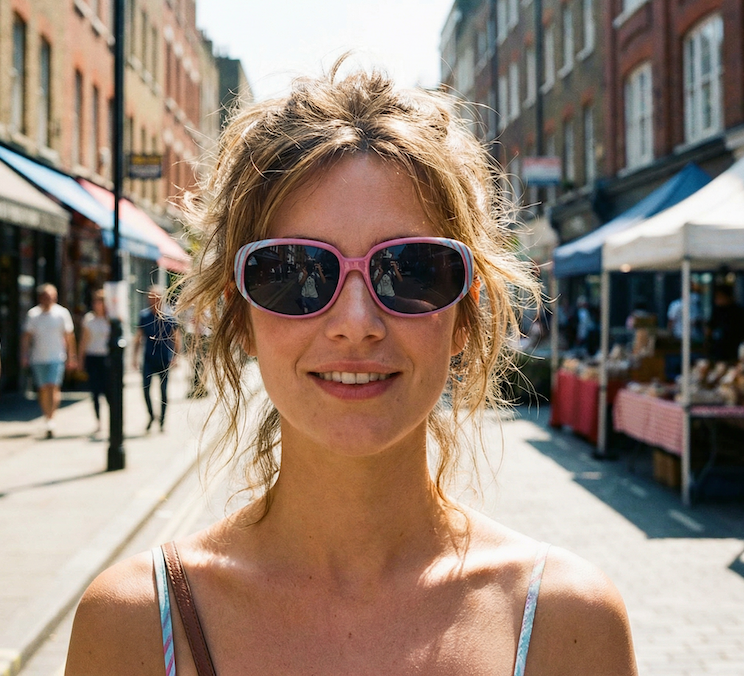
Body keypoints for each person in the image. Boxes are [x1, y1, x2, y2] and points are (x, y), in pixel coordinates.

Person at [66, 62, 637, 674]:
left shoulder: (568, 624)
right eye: (294, 272)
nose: (356, 321)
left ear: (465, 317)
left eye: (412, 270)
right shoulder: (134, 627)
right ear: (242, 316)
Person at [21, 284, 77, 439]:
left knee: (53, 387)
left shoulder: (61, 313)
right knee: (43, 389)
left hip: (57, 357)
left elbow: (69, 336)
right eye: (46, 296)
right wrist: (24, 355)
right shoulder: (33, 314)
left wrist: (72, 356)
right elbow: (26, 336)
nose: (49, 299)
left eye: (52, 296)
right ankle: (47, 416)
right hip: (38, 357)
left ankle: (51, 419)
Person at [133, 286, 180, 432]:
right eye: (151, 298)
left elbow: (176, 338)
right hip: (148, 358)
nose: (153, 301)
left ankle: (162, 421)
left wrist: (176, 357)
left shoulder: (169, 316)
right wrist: (134, 357)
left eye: (156, 298)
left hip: (164, 358)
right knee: (145, 389)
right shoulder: (144, 316)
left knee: (163, 391)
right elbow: (138, 337)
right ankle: (151, 415)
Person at [77, 289, 111, 437]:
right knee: (95, 391)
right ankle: (98, 421)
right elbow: (83, 341)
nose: (98, 305)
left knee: (109, 391)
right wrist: (80, 359)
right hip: (93, 357)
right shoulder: (89, 319)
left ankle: (112, 420)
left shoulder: (111, 319)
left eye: (101, 301)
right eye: (96, 301)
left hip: (107, 358)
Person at [707, 284, 744, 363]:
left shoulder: (738, 310)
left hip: (734, 345)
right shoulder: (717, 311)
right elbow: (709, 328)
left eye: (720, 297)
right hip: (719, 347)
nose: (717, 300)